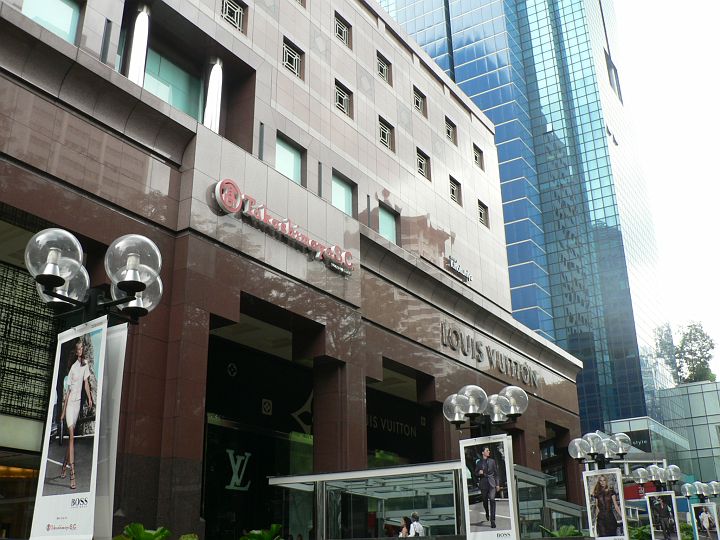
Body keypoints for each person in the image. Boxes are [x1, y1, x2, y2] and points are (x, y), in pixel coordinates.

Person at [59, 338, 93, 490]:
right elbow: (67, 393)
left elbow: (86, 384)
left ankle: (64, 465)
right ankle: (72, 473)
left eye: (82, 348)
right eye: (78, 349)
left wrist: (90, 398)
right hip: (69, 405)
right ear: (76, 351)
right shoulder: (72, 368)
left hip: (78, 403)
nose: (80, 351)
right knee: (72, 436)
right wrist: (63, 412)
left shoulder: (85, 365)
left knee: (71, 440)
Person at [477, 446, 498, 528]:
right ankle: (487, 512)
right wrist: (479, 473)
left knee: (492, 500)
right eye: (487, 450)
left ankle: (493, 521)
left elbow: (496, 473)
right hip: (483, 484)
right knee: (485, 501)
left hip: (492, 484)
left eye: (489, 450)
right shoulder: (479, 462)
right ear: (483, 452)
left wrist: (497, 484)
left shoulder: (492, 461)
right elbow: (475, 473)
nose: (489, 451)